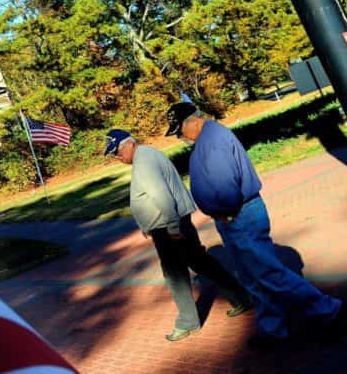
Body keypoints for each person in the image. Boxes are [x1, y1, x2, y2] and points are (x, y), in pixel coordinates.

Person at [165, 102, 344, 346]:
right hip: (234, 215)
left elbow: (225, 183)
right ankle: (272, 328)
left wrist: (227, 212)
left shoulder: (213, 139)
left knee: (269, 273)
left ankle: (327, 309)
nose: (179, 136)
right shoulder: (208, 138)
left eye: (178, 130)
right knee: (253, 277)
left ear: (192, 120)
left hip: (237, 215)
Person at [104, 129, 253, 342]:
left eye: (117, 152)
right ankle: (241, 298)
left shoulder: (143, 161)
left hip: (168, 228)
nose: (117, 158)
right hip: (171, 224)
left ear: (129, 144)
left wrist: (173, 229)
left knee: (175, 277)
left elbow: (162, 197)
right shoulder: (146, 155)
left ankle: (187, 323)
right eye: (114, 155)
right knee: (202, 263)